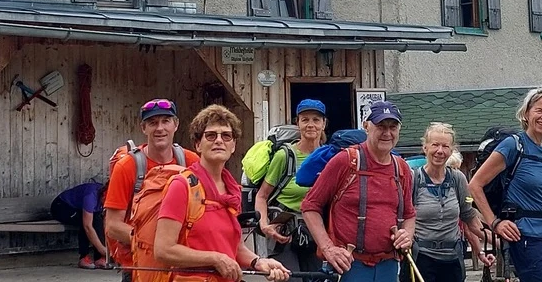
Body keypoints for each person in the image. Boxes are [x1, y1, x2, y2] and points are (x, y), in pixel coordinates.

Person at [152, 105, 291, 282]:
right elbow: (163, 249)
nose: (219, 140)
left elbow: (233, 246)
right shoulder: (182, 186)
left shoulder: (232, 190)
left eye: (226, 136)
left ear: (233, 146)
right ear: (198, 145)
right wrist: (215, 258)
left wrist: (258, 262)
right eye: (211, 135)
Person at [302, 101, 416, 282]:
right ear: (366, 126)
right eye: (380, 126)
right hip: (349, 266)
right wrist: (328, 248)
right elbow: (310, 206)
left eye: (392, 127)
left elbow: (409, 214)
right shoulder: (345, 161)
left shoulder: (401, 168)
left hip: (389, 265)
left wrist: (407, 236)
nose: (387, 133)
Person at [469, 88, 542, 282]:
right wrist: (494, 223)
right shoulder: (513, 145)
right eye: (539, 110)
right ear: (526, 113)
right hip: (524, 236)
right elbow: (475, 184)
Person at [108, 99, 190, 280]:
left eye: (165, 121)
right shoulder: (127, 166)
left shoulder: (191, 161)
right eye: (153, 123)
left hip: (182, 263)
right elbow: (112, 226)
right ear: (143, 128)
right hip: (139, 265)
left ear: (175, 125)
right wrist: (154, 242)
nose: (160, 128)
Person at [256, 99, 331, 272]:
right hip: (284, 233)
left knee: (316, 278)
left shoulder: (330, 157)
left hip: (316, 233)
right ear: (297, 123)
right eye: (305, 120)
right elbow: (262, 196)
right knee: (290, 278)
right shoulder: (285, 156)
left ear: (324, 123)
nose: (310, 125)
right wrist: (264, 225)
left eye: (316, 120)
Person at [409, 123, 490, 282]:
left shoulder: (457, 178)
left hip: (452, 258)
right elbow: (404, 217)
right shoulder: (414, 179)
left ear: (451, 150)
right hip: (422, 257)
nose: (440, 151)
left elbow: (469, 217)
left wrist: (495, 241)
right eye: (435, 145)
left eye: (445, 146)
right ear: (425, 148)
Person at [53, 178, 114, 269]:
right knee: (86, 221)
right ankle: (83, 257)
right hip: (61, 206)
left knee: (97, 218)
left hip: (78, 208)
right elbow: (87, 226)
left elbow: (105, 223)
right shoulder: (91, 196)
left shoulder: (104, 196)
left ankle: (99, 259)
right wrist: (102, 249)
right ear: (104, 196)